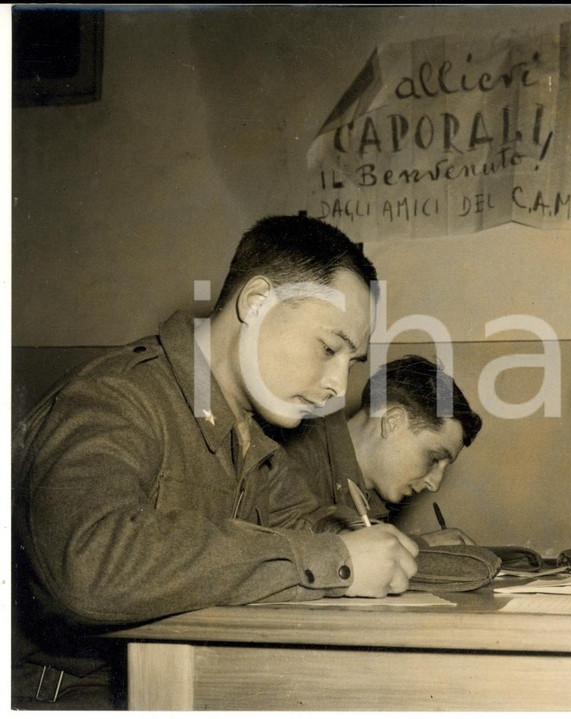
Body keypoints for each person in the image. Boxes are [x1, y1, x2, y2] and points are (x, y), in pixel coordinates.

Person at [13, 216, 420, 704]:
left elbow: (307, 526)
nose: (337, 385)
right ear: (257, 302)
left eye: (349, 363)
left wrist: (377, 549)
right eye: (329, 348)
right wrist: (339, 559)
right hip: (67, 695)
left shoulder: (250, 432)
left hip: (175, 682)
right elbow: (90, 567)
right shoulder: (116, 396)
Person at [274, 354, 483, 546]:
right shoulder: (287, 459)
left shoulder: (366, 492)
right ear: (392, 422)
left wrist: (421, 544)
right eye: (434, 459)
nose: (434, 483)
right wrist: (419, 545)